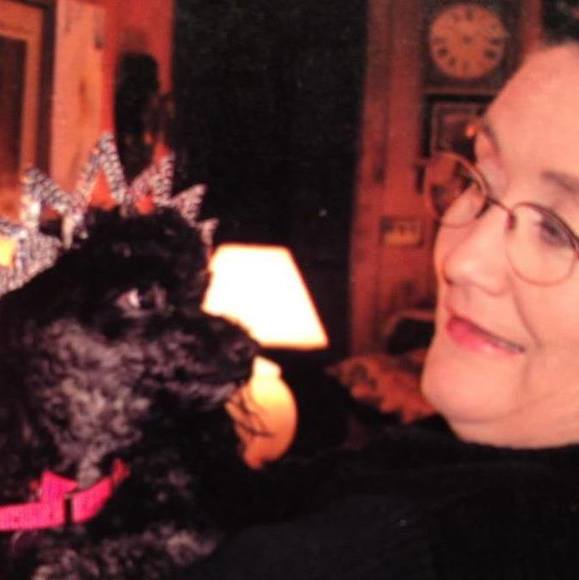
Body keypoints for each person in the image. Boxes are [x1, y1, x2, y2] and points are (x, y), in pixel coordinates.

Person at [181, 13, 579, 580]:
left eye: (556, 231)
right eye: (478, 180)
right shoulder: (417, 467)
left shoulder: (386, 550)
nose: (461, 260)